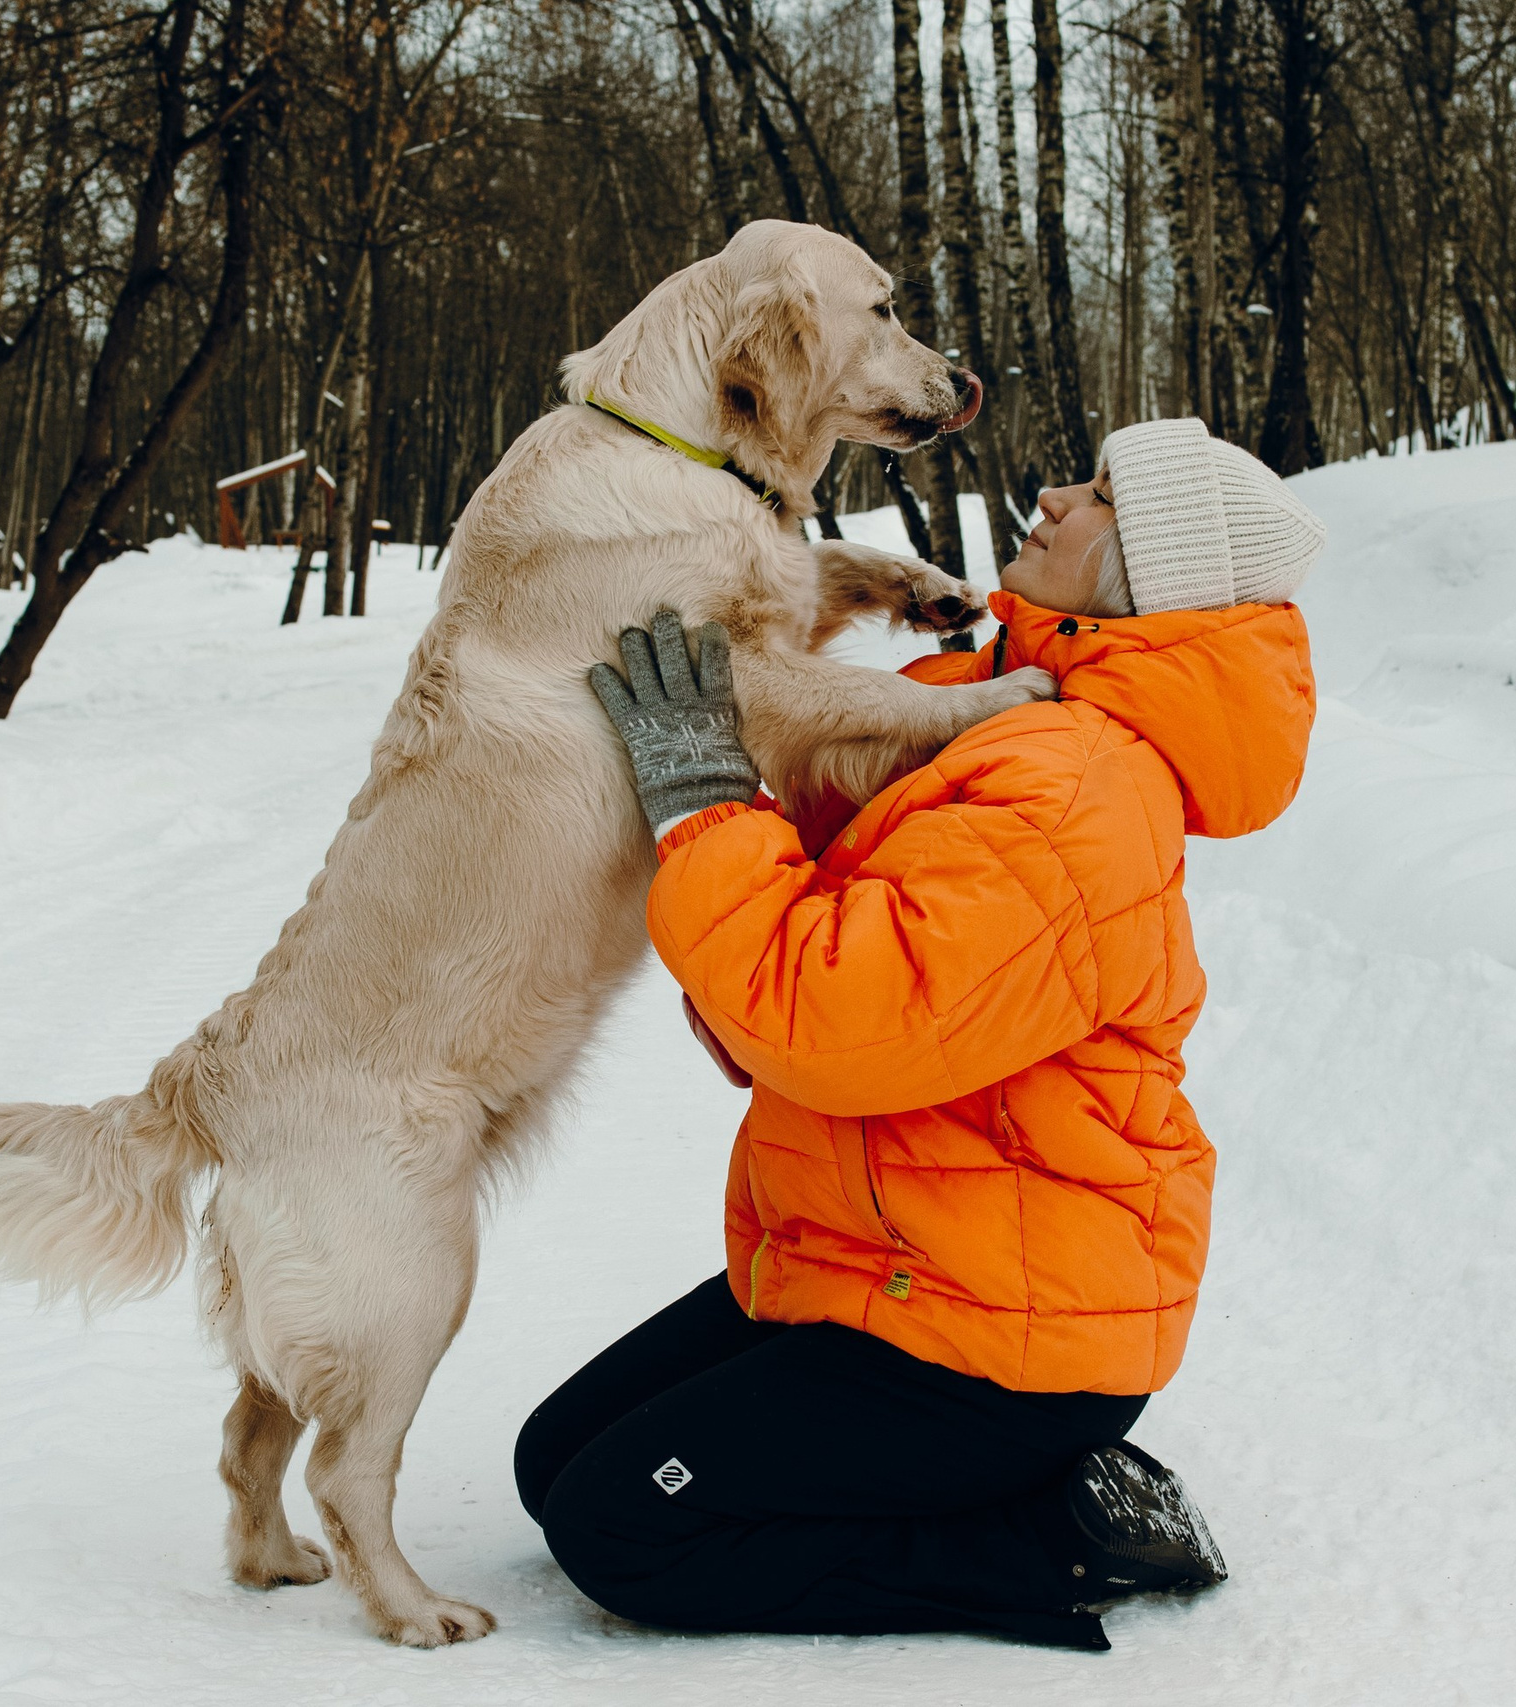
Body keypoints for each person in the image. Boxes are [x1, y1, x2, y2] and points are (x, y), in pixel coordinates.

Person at [521, 416, 1324, 1650]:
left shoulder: (1067, 792)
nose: (1054, 496)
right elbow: (787, 977)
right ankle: (984, 1478)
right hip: (888, 1263)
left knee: (621, 1529)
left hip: (1001, 1335)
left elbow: (826, 1023)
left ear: (1144, 584)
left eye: (1102, 497)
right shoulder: (995, 716)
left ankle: (1052, 1527)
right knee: (551, 1461)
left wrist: (703, 799)